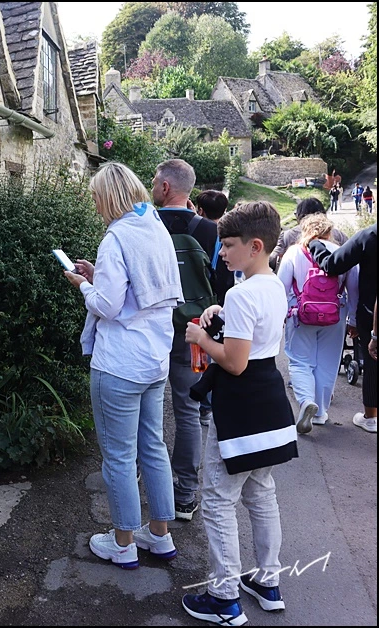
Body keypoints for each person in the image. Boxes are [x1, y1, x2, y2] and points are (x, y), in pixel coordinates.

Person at [62, 161, 183, 569]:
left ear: (109, 197)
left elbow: (108, 306)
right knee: (153, 447)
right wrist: (99, 275)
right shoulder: (155, 227)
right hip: (155, 361)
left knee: (118, 456)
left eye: (97, 198)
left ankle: (123, 542)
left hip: (118, 365)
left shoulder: (115, 237)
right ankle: (159, 535)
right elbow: (141, 286)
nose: (96, 206)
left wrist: (84, 285)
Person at [183, 201, 298, 625]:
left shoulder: (241, 292)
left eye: (228, 245)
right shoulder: (271, 285)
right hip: (269, 403)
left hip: (240, 406)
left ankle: (224, 597)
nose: (222, 253)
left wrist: (200, 337)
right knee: (261, 492)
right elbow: (254, 336)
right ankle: (268, 582)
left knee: (217, 499)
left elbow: (234, 362)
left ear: (255, 246)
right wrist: (220, 314)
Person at [153, 159, 217, 521]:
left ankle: (138, 472)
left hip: (148, 329)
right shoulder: (209, 230)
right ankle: (185, 494)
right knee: (188, 411)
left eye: (154, 182)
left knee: (143, 408)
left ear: (165, 188)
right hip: (192, 330)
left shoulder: (146, 225)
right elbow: (221, 286)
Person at [278, 214, 358, 433]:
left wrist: (281, 315)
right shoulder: (341, 252)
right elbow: (354, 289)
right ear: (329, 232)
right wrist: (353, 319)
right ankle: (321, 412)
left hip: (300, 313)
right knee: (328, 362)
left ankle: (306, 401)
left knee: (299, 360)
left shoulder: (294, 252)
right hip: (335, 313)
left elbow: (281, 287)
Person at [308, 223, 378, 433]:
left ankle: (371, 417)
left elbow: (332, 265)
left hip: (370, 312)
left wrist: (315, 245)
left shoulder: (369, 236)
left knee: (373, 362)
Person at [195, 189, 234, 427]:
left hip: (194, 299)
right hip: (217, 301)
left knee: (195, 353)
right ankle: (207, 406)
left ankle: (199, 399)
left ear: (200, 210)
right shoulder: (226, 236)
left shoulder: (195, 230)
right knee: (211, 353)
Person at [269, 198, 349, 270]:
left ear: (299, 216)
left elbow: (272, 259)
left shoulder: (287, 235)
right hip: (333, 279)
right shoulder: (338, 235)